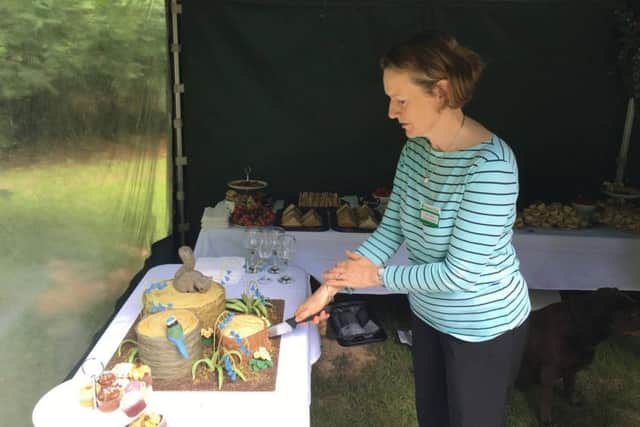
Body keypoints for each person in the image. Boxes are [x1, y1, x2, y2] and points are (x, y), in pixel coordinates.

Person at [295, 31, 530, 427]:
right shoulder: (416, 149)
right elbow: (391, 232)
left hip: (482, 328)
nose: (390, 111)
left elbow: (460, 273)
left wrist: (378, 277)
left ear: (439, 92)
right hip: (429, 315)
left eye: (400, 100)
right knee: (432, 418)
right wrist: (326, 291)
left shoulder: (491, 167)